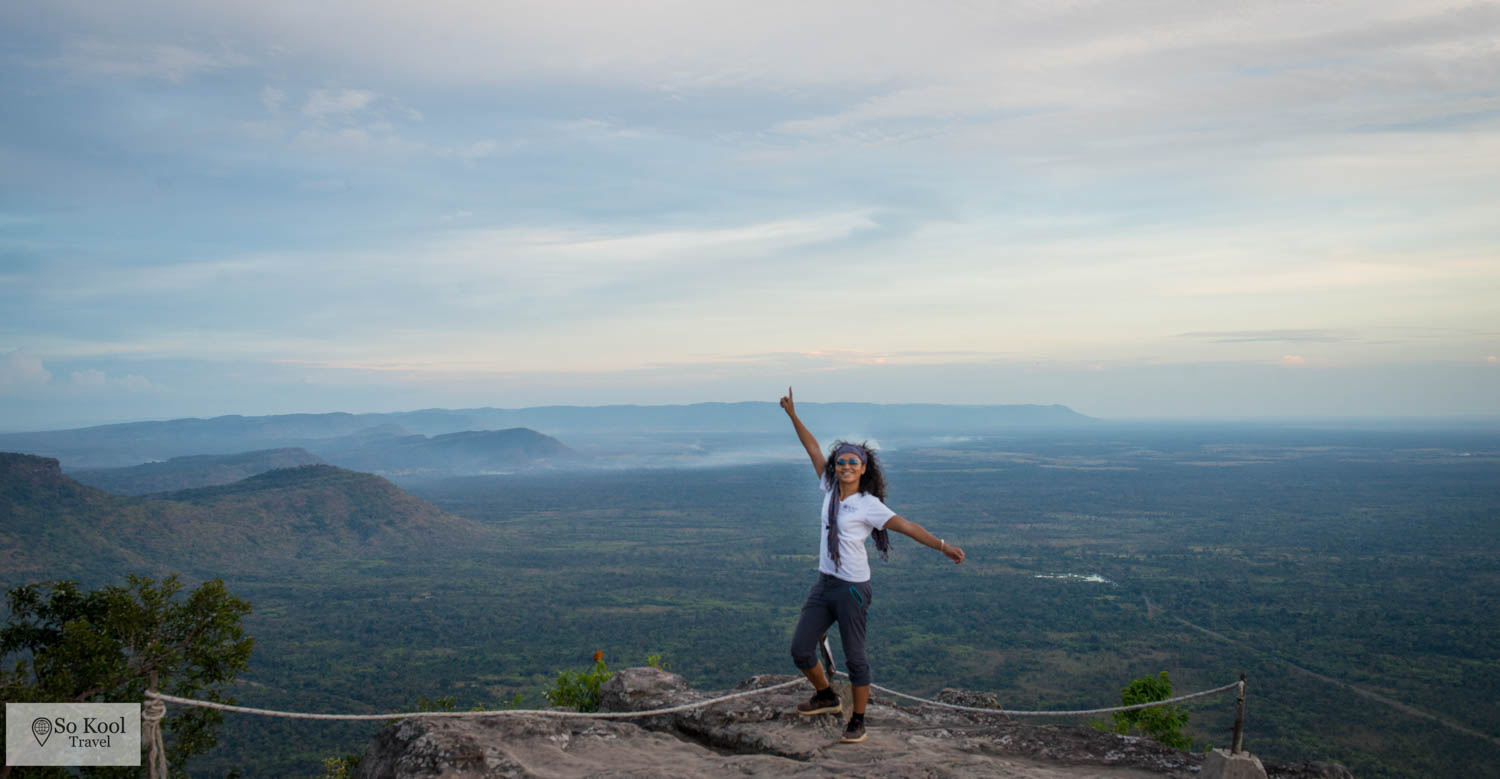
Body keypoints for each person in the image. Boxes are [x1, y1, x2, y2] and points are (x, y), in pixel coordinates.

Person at [780, 387, 965, 744]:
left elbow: (908, 527)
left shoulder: (869, 505)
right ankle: (827, 697)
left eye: (853, 463)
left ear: (864, 469)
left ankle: (858, 720)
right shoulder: (830, 487)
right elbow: (813, 448)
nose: (846, 466)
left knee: (855, 657)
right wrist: (792, 415)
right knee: (801, 649)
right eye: (842, 461)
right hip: (825, 584)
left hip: (852, 589)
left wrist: (943, 547)